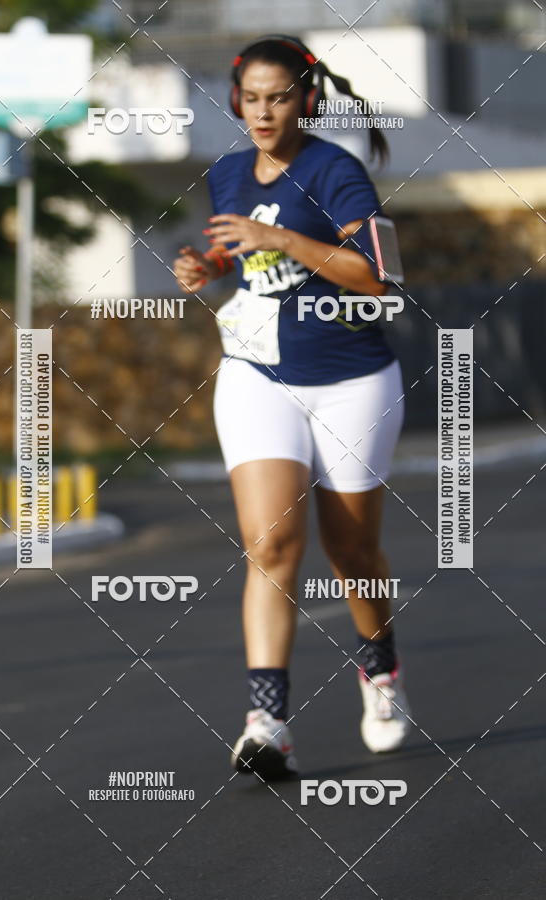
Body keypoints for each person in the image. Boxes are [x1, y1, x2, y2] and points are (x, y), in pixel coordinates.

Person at [172, 34, 410, 780]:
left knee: (352, 553)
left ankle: (382, 674)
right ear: (236, 101)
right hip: (257, 375)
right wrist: (207, 265)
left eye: (279, 96)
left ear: (306, 98)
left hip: (350, 379)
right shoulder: (227, 174)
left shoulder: (335, 171)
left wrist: (276, 234)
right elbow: (245, 261)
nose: (264, 111)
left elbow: (377, 276)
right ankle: (268, 722)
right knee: (270, 546)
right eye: (251, 97)